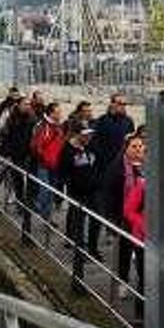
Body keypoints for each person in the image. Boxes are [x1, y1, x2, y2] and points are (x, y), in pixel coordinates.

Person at [104, 131, 146, 302]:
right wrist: (111, 219)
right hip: (124, 216)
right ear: (126, 149)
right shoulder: (117, 168)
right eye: (133, 147)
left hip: (144, 218)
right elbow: (109, 194)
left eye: (140, 146)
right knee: (124, 251)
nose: (138, 150)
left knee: (143, 254)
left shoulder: (147, 166)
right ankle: (123, 282)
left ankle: (144, 286)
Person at [59, 123, 100, 288]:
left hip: (93, 190)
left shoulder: (91, 147)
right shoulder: (68, 151)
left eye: (90, 134)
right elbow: (63, 172)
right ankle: (79, 250)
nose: (89, 137)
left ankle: (93, 248)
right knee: (79, 220)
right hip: (77, 191)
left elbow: (98, 164)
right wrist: (65, 188)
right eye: (85, 134)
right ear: (77, 135)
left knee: (96, 220)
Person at [29, 102, 66, 223]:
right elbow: (35, 145)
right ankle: (39, 209)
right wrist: (44, 158)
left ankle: (47, 216)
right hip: (44, 164)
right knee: (44, 190)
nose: (60, 114)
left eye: (60, 112)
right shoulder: (42, 126)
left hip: (55, 165)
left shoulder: (59, 126)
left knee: (52, 191)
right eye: (57, 112)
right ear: (51, 113)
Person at [91, 93, 136, 184]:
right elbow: (94, 142)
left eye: (124, 104)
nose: (123, 106)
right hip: (105, 165)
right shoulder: (102, 121)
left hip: (123, 165)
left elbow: (131, 141)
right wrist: (104, 157)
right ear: (112, 104)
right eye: (120, 103)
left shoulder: (128, 121)